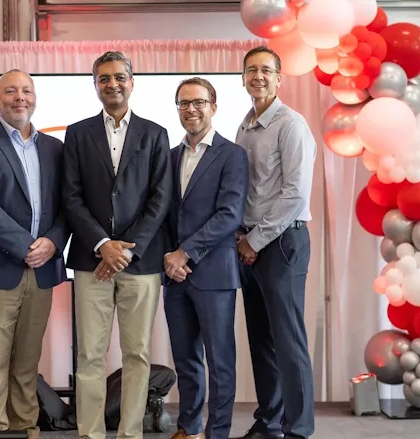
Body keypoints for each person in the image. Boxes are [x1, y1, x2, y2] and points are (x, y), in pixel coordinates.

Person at [61, 51, 172, 439]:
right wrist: (103, 244)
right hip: (91, 260)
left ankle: (130, 433)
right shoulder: (77, 133)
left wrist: (126, 249)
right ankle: (90, 433)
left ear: (132, 82)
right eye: (104, 78)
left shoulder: (155, 133)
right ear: (95, 85)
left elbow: (160, 198)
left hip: (141, 262)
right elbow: (70, 196)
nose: (112, 84)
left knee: (137, 354)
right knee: (89, 354)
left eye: (119, 77)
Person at [0, 70, 69, 438]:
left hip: (43, 269)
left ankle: (26, 430)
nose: (19, 97)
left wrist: (52, 242)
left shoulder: (55, 149)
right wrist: (27, 246)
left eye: (26, 91)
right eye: (10, 91)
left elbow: (68, 205)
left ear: (35, 98)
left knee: (26, 364)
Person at [232, 46, 317, 439]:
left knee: (288, 339)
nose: (258, 76)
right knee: (261, 338)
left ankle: (297, 429)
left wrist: (255, 240)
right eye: (251, 70)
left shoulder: (291, 124)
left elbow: (295, 193)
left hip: (282, 242)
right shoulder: (244, 126)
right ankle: (269, 422)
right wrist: (241, 236)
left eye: (266, 70)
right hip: (249, 243)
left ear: (279, 79)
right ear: (243, 79)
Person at [163, 77, 249, 439]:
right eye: (184, 103)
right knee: (185, 360)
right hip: (175, 276)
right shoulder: (169, 156)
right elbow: (165, 213)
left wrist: (185, 253)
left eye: (198, 102)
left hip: (214, 272)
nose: (191, 109)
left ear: (213, 107)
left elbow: (229, 215)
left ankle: (218, 432)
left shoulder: (232, 155)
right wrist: (170, 258)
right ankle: (189, 427)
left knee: (220, 361)